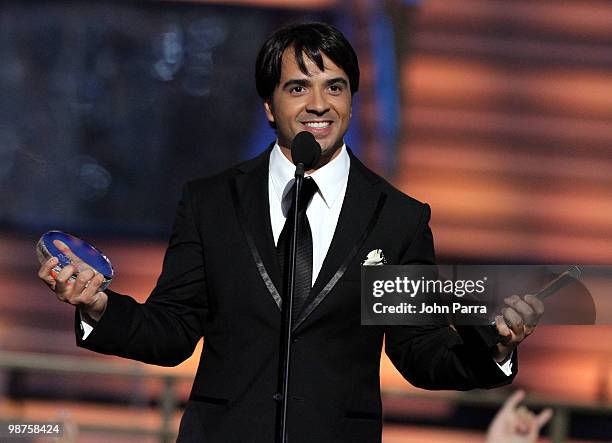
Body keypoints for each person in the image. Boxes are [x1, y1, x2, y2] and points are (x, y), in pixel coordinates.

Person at [37, 22, 544, 443]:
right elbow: (171, 330)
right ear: (269, 106)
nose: (318, 104)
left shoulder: (396, 217)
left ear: (351, 101)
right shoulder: (212, 202)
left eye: (335, 86)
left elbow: (419, 352)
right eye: (298, 87)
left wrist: (493, 349)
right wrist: (98, 308)